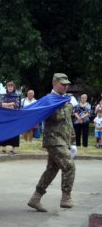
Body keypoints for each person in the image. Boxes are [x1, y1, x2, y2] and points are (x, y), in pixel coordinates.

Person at [27, 73, 76, 212]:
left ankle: (35, 198)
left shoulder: (64, 100)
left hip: (63, 140)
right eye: (63, 84)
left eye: (67, 84)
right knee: (69, 166)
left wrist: (73, 142)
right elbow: (56, 117)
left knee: (52, 169)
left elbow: (68, 123)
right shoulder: (50, 100)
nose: (66, 86)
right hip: (53, 140)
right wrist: (67, 105)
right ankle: (66, 198)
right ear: (54, 83)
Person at [0, 81, 20, 154]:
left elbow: (17, 105)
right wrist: (11, 104)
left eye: (11, 86)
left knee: (14, 132)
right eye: (9, 86)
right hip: (4, 117)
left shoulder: (16, 96)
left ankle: (13, 149)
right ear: (7, 88)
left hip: (13, 117)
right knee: (3, 132)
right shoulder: (3, 96)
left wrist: (7, 105)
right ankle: (3, 148)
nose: (10, 88)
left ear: (14, 88)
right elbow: (1, 104)